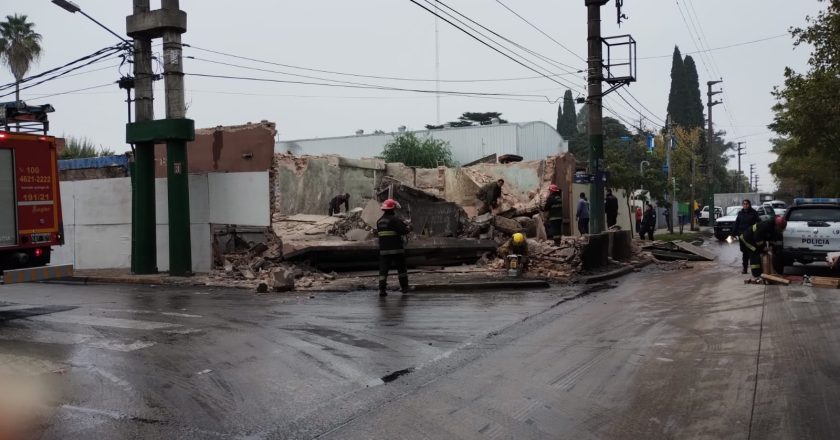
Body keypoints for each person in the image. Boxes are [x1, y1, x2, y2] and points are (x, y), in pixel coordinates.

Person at [375, 198, 412, 297]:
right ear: (392, 209)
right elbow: (403, 231)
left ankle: (382, 290)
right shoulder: (395, 220)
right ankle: (404, 288)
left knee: (383, 270)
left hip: (384, 251)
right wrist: (409, 228)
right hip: (397, 249)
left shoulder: (379, 221)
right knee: (401, 269)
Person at [740, 216, 787, 280]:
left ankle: (762, 272)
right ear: (776, 225)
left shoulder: (774, 229)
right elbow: (757, 238)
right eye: (779, 228)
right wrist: (763, 247)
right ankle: (757, 275)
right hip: (748, 238)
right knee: (755, 253)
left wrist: (773, 248)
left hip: (756, 239)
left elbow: (772, 240)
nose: (780, 230)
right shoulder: (765, 226)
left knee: (763, 253)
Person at [733, 199, 761, 274]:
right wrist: (733, 234)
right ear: (742, 205)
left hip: (751, 236)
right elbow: (736, 224)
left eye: (747, 204)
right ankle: (744, 268)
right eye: (744, 204)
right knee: (744, 253)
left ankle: (755, 270)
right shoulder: (740, 213)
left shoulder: (754, 213)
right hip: (742, 236)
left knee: (752, 252)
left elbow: (759, 223)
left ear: (749, 204)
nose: (745, 205)